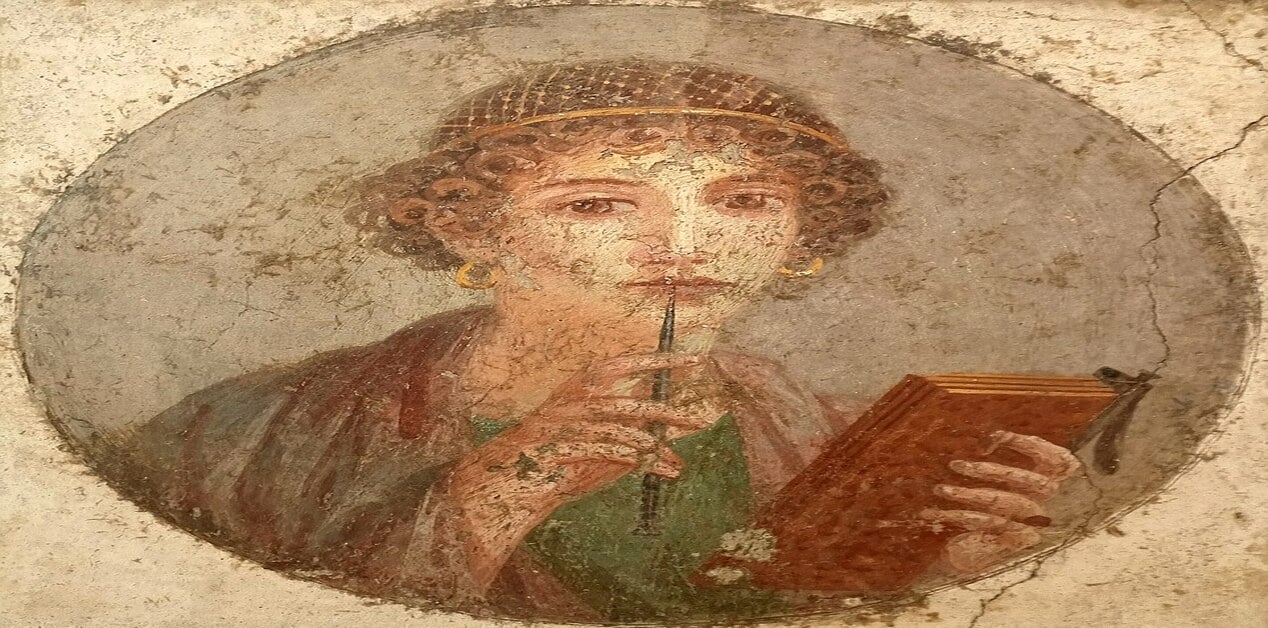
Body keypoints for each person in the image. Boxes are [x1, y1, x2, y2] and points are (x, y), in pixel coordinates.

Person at [121, 62, 1082, 623]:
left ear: (803, 234)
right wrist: (492, 494)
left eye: (745, 200)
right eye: (596, 205)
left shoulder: (843, 438)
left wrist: (944, 579)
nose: (687, 246)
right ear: (469, 228)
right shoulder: (249, 432)